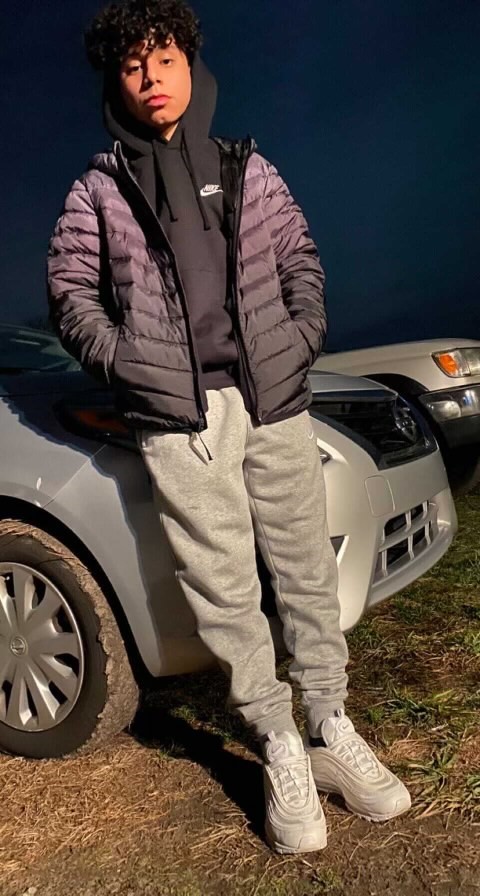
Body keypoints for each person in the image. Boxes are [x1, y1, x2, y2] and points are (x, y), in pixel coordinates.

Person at [46, 0, 411, 855]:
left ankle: (329, 726)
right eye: (133, 66)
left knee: (304, 568)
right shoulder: (98, 190)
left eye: (164, 59)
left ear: (191, 64)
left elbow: (300, 260)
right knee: (225, 588)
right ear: (116, 82)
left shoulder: (249, 167)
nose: (151, 78)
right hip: (181, 420)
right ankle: (278, 740)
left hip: (272, 398)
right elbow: (70, 291)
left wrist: (300, 335)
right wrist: (129, 363)